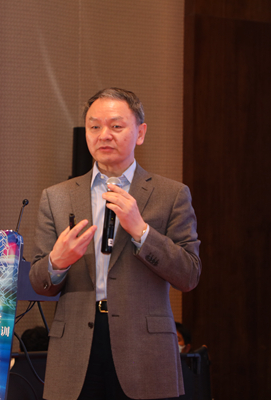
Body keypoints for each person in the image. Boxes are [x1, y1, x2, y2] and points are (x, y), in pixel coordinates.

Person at [30, 88, 201, 400]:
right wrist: (57, 262)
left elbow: (189, 275)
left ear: (140, 133)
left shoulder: (171, 194)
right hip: (75, 349)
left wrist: (142, 232)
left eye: (116, 126)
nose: (104, 135)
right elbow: (39, 283)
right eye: (94, 126)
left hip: (144, 350)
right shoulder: (57, 197)